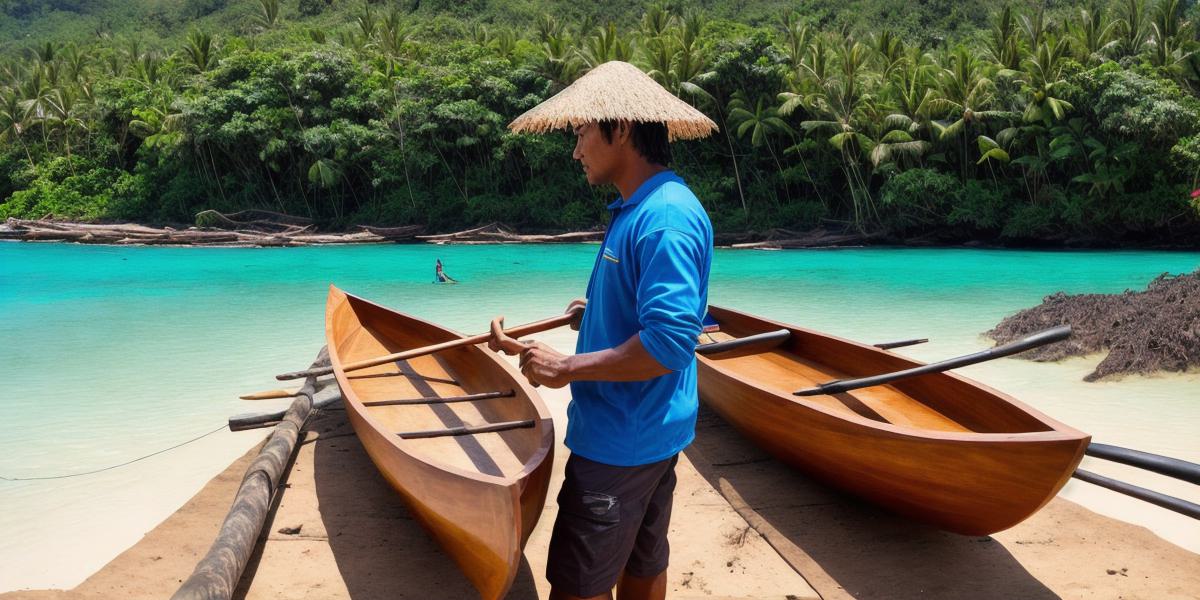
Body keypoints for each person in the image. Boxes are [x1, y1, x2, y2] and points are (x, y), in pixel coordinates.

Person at [501, 61, 718, 600]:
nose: (576, 150)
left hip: (621, 443)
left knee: (580, 584)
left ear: (619, 129)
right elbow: (650, 314)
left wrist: (566, 367)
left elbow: (669, 341)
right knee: (643, 564)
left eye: (580, 134)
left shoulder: (664, 218)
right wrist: (597, 311)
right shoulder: (642, 206)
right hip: (652, 432)